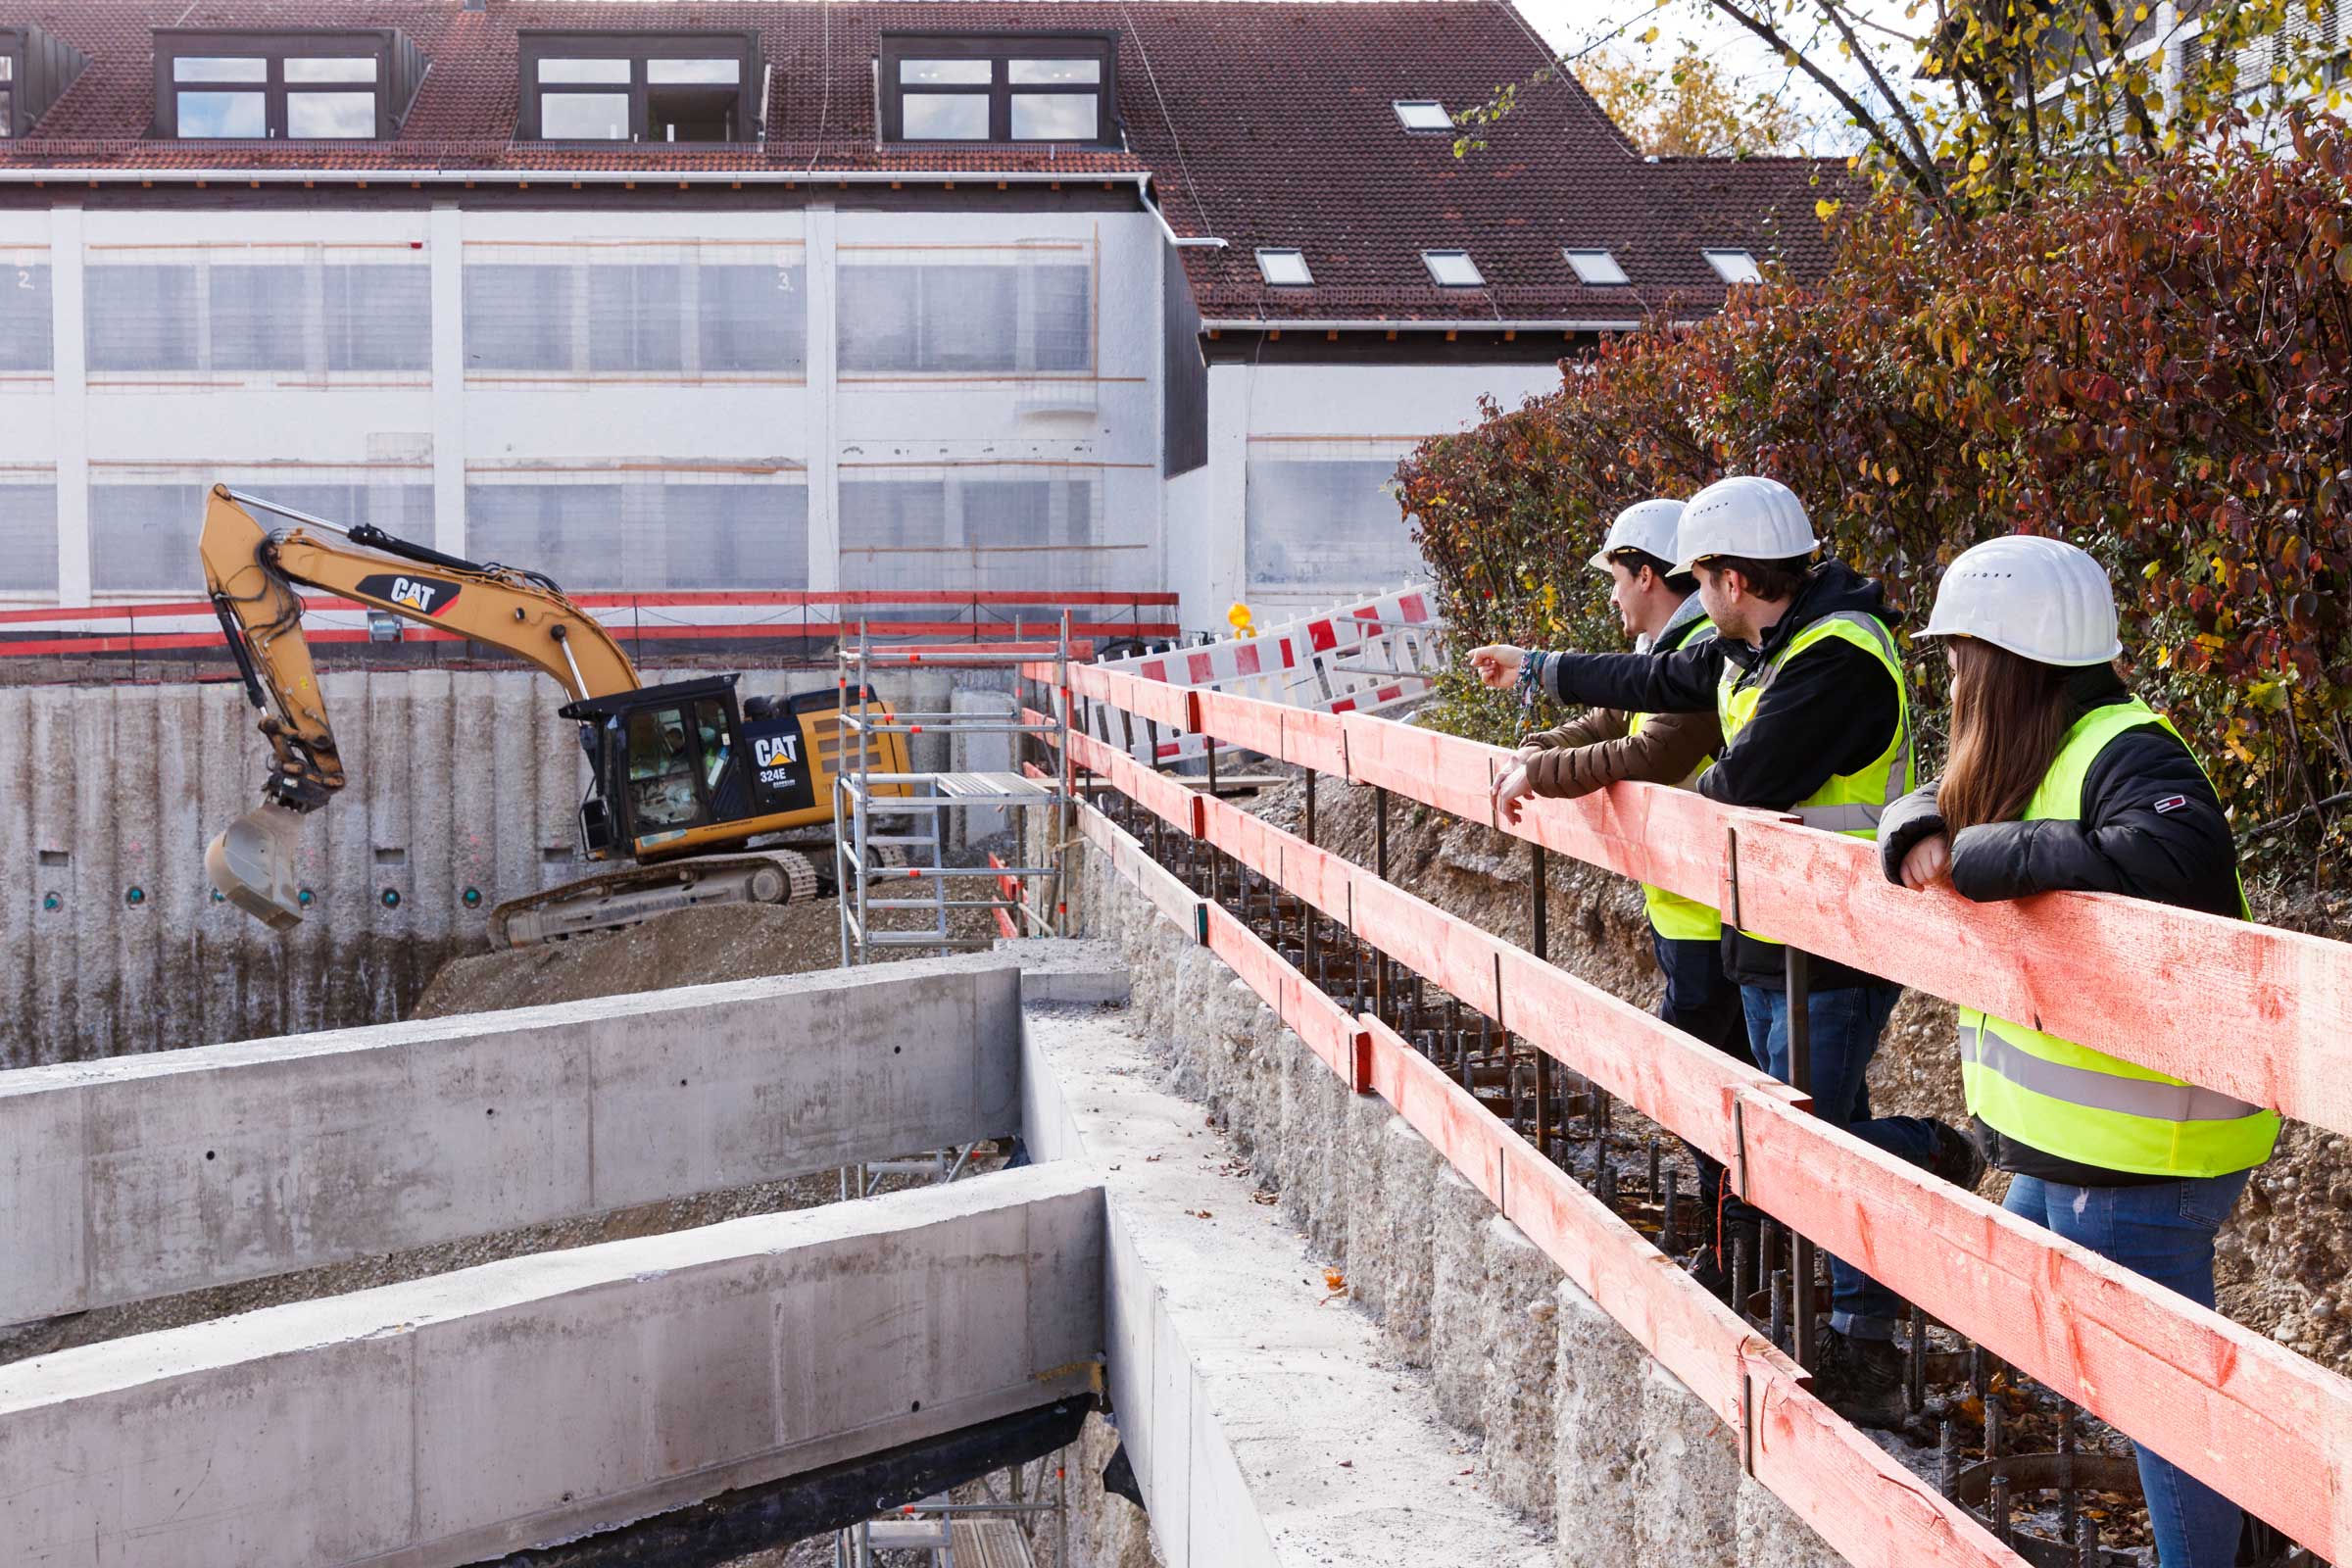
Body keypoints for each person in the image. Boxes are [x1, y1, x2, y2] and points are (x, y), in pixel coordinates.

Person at [1467, 473, 1981, 1423]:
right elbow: (1651, 683)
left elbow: (1737, 784)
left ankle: (1924, 1174)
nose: (1694, 600)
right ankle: (1849, 1323)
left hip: (1835, 941)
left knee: (1806, 1144)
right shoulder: (1761, 644)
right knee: (1792, 1136)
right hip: (1767, 934)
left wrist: (1678, 799)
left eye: (1701, 581)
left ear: (1735, 581)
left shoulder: (1836, 660)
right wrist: (1536, 665)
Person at [1879, 534, 2278, 1568]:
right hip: (2072, 1145)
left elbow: (2170, 855)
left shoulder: (2128, 748)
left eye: (1963, 654)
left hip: (2151, 1151)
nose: (1954, 675)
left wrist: (1973, 855)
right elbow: (1928, 798)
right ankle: (2258, 1513)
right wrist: (1918, 825)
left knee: (2164, 1399)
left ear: (2011, 657)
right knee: (2023, 1308)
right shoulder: (2038, 748)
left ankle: (2226, 1549)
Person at [1489, 498, 1750, 1288]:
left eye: (1615, 578)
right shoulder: (1666, 647)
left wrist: (1535, 772)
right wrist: (1536, 749)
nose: (1611, 597)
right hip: (1694, 913)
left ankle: (1741, 1255)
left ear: (1647, 573)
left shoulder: (1702, 650)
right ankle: (1740, 1251)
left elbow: (1653, 751)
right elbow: (1608, 718)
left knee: (1715, 1091)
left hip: (1725, 917)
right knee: (1709, 1086)